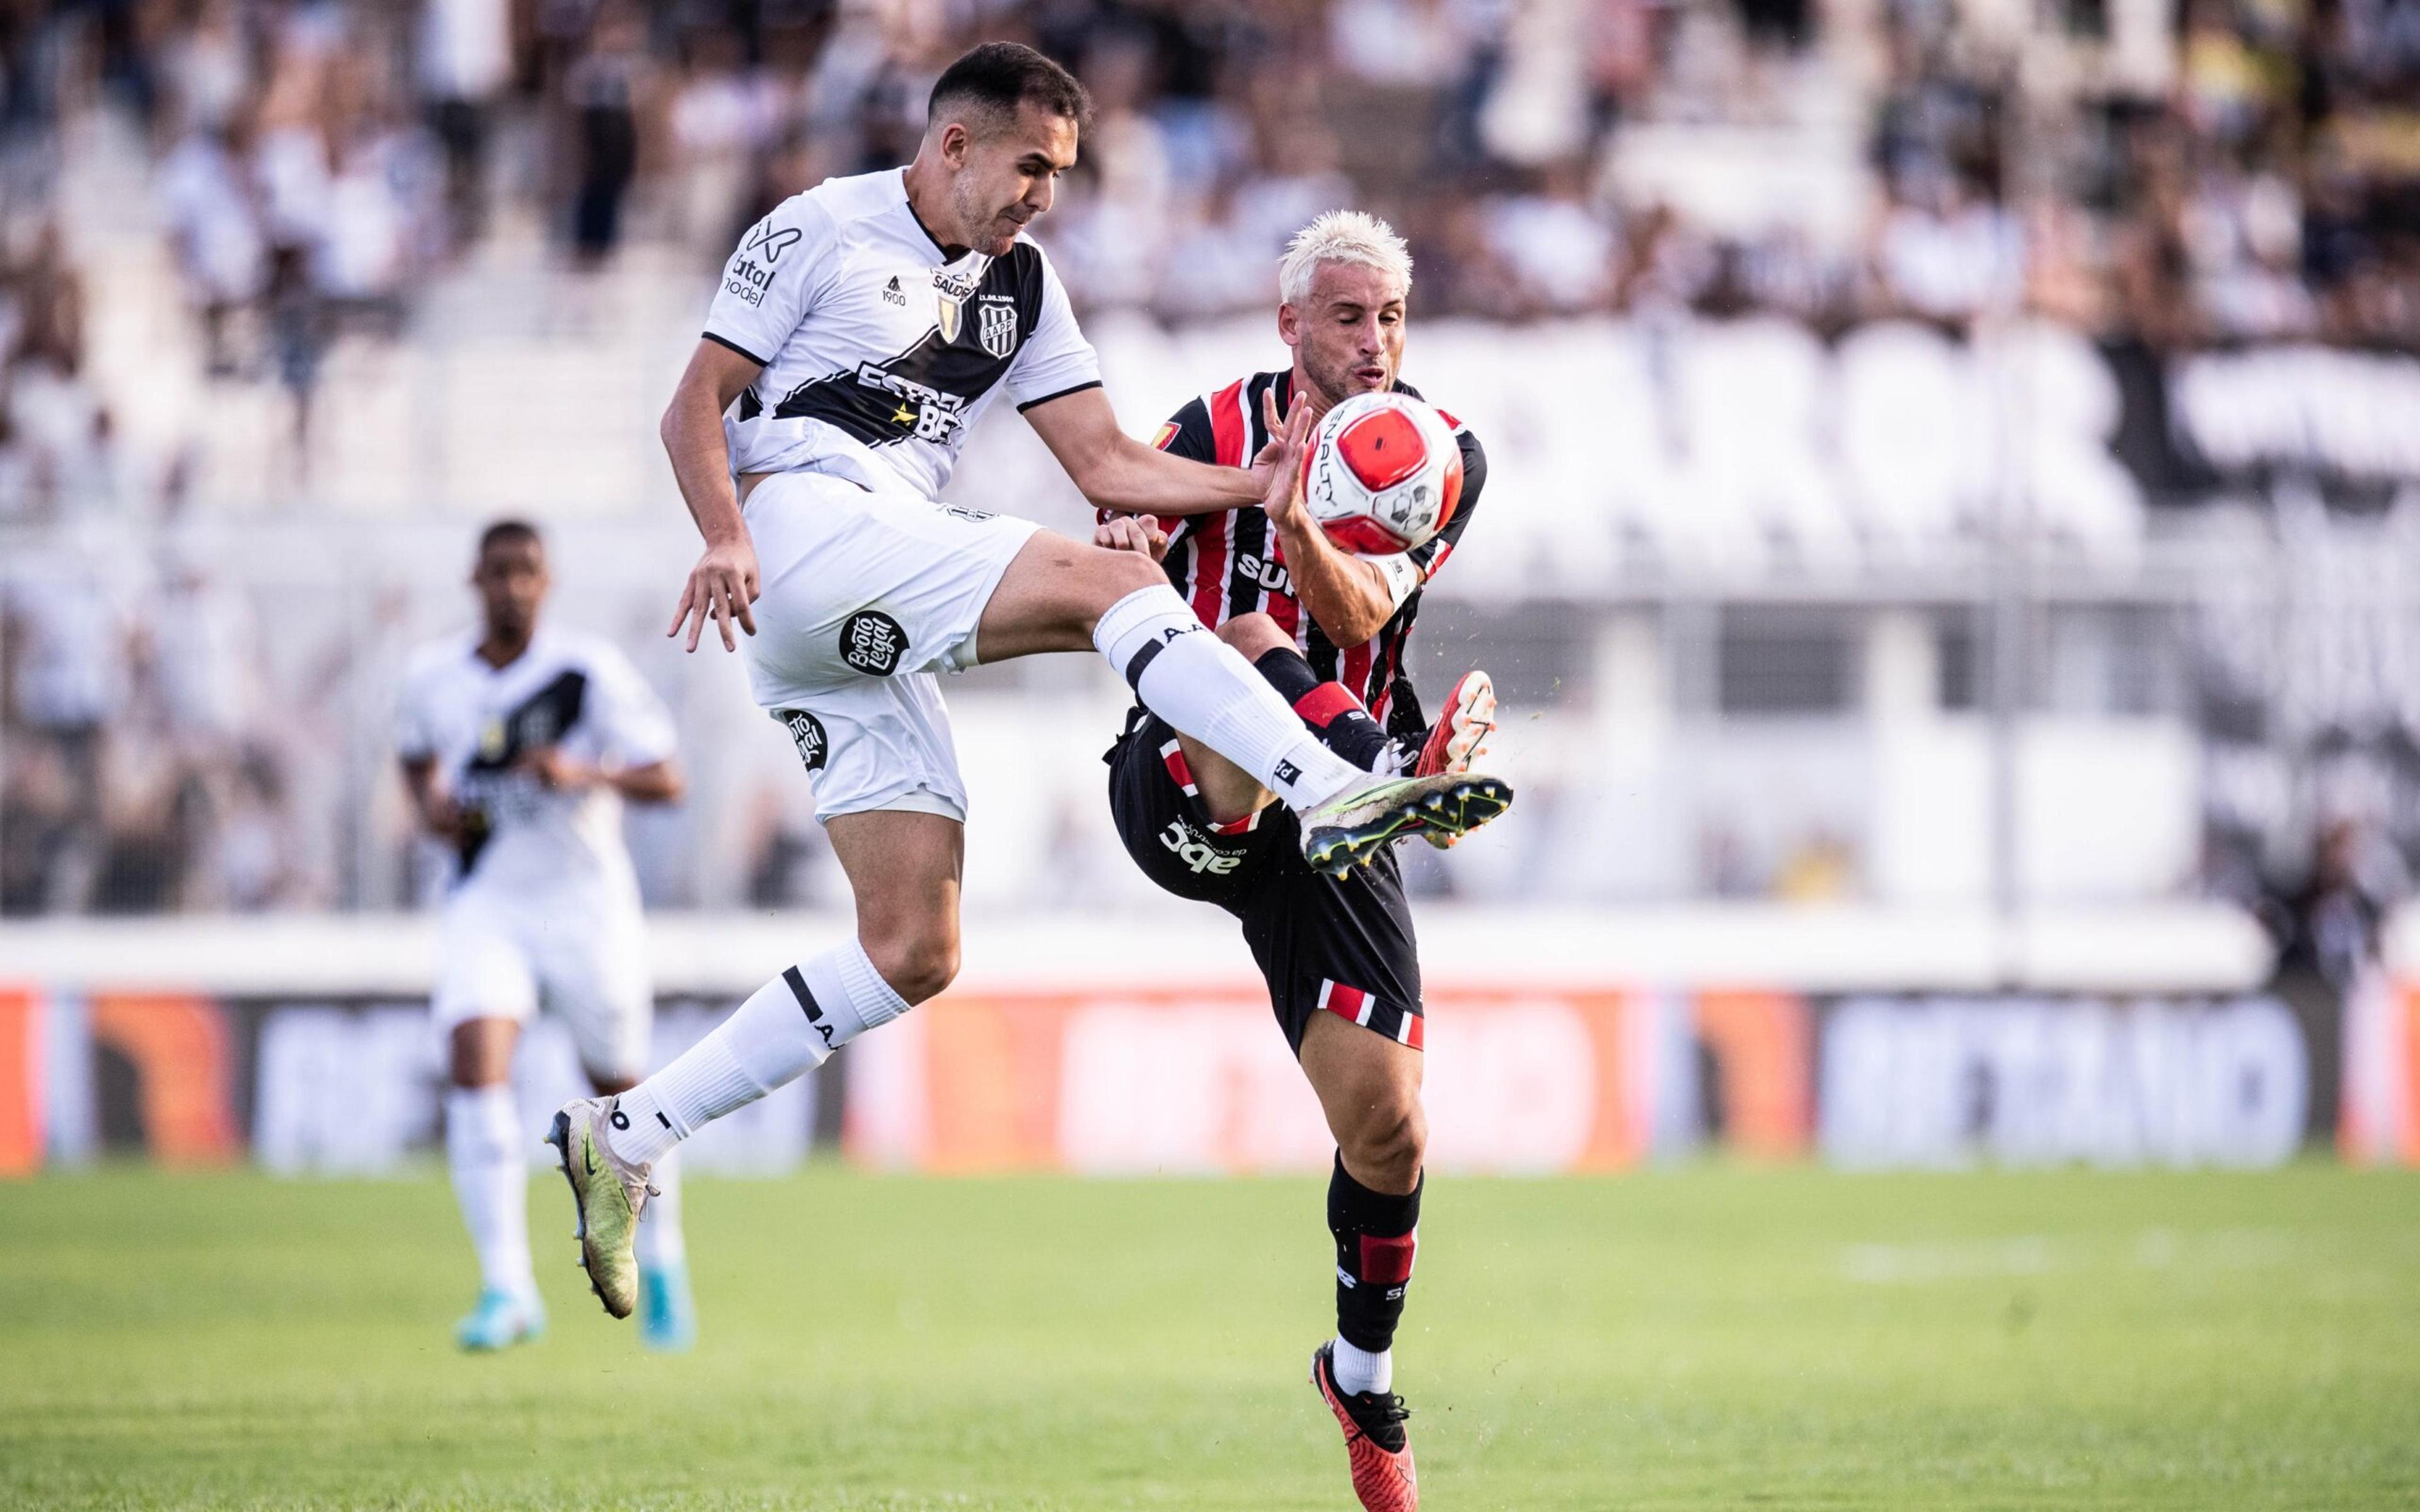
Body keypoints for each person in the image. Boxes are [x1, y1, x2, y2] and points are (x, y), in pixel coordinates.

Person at [546, 43, 1509, 1325]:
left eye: (1059, 173)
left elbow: (1109, 463)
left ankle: (630, 1135)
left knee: (912, 948)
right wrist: (724, 532)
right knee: (1121, 598)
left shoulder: (1023, 286)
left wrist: (1257, 487)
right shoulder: (818, 230)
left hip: (848, 615)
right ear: (954, 147)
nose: (1044, 196)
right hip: (807, 530)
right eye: (1031, 168)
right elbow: (694, 406)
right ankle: (1334, 785)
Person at [1094, 210, 1488, 1512]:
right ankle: (1380, 780)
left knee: (1391, 1129)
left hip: (1339, 820)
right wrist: (1127, 535)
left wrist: (1297, 518)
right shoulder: (1206, 430)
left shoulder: (1438, 456)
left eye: (1390, 318)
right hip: (1193, 784)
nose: (1374, 345)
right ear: (1290, 327)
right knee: (1245, 639)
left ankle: (1359, 1377)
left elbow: (1360, 611)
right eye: (1346, 317)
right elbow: (1115, 522)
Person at [396, 520, 695, 1353]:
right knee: (474, 1061)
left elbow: (669, 776)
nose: (512, 587)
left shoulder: (584, 671)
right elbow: (416, 761)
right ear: (475, 579)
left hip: (584, 905)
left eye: (526, 572)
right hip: (486, 903)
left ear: (547, 581)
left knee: (625, 1099)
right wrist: (433, 812)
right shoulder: (431, 677)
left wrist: (583, 772)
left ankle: (663, 1259)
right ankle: (507, 1288)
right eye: (498, 572)